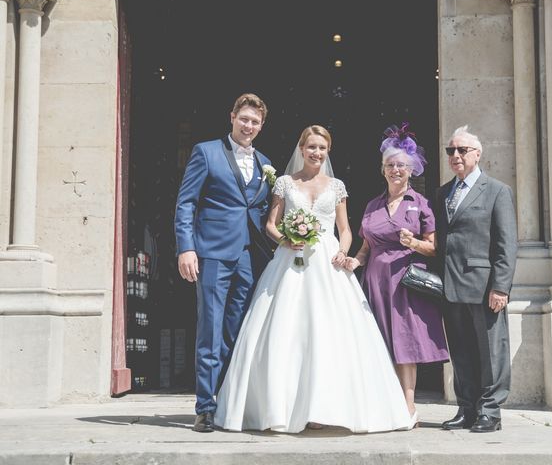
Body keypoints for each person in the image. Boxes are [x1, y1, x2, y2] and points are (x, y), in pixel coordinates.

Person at [214, 125, 413, 433]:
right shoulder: (284, 183)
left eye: (322, 147)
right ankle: (279, 407)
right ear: (301, 149)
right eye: (311, 147)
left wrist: (342, 251)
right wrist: (285, 239)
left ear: (327, 150)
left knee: (328, 332)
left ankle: (324, 407)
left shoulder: (336, 186)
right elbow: (270, 224)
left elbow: (345, 229)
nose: (316, 152)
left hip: (327, 262)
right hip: (291, 261)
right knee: (286, 330)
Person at [174, 93, 274, 433]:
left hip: (251, 256)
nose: (248, 126)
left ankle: (228, 402)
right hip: (213, 253)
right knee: (211, 329)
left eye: (255, 122)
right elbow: (186, 202)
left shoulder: (265, 163)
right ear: (232, 117)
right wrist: (186, 248)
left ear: (261, 127)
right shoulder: (206, 151)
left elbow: (263, 211)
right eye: (244, 119)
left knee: (237, 330)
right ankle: (205, 406)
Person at [344, 123, 449, 421]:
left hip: (406, 280)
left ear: (412, 169)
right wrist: (355, 261)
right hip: (376, 282)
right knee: (380, 340)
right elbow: (366, 245)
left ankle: (408, 405)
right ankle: (384, 402)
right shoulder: (373, 205)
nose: (395, 170)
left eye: (401, 165)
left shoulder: (421, 204)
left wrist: (413, 242)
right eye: (390, 165)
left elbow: (434, 248)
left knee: (405, 342)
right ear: (383, 170)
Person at [435, 125, 517, 433]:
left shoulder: (496, 191)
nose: (455, 156)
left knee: (491, 352)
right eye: (451, 151)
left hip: (484, 288)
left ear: (477, 154)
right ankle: (466, 408)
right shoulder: (443, 192)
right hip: (451, 286)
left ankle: (490, 411)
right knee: (461, 351)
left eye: (462, 150)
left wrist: (501, 286)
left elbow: (506, 243)